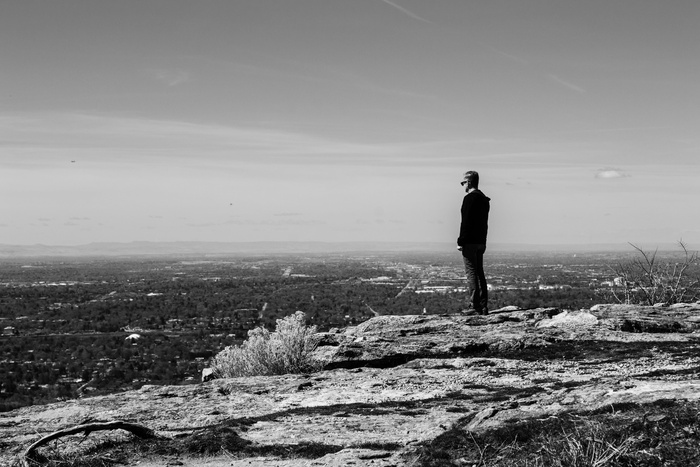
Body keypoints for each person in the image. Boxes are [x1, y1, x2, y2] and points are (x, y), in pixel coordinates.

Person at [457, 171, 490, 315]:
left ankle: (475, 306)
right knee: (479, 273)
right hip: (481, 241)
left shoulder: (469, 198)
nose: (462, 185)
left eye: (463, 183)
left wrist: (461, 241)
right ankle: (483, 305)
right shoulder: (484, 199)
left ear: (469, 182)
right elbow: (484, 223)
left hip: (470, 242)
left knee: (471, 273)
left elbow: (466, 221)